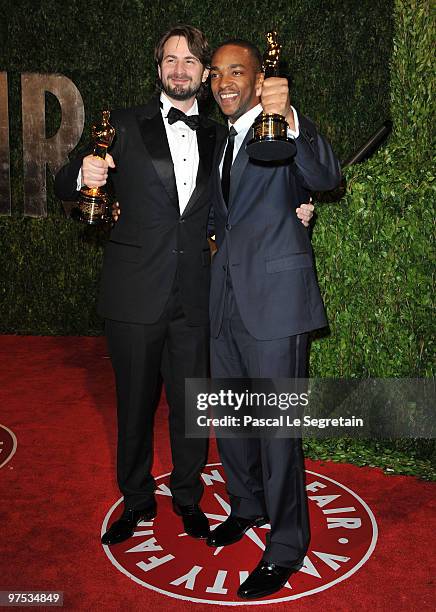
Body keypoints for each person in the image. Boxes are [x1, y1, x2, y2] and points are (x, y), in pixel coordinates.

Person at [54, 25, 315, 548]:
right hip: (134, 293)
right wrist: (84, 174)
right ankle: (135, 499)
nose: (179, 69)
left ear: (203, 74)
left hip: (199, 295)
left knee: (194, 405)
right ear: (158, 70)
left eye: (190, 62)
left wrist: (294, 207)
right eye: (170, 60)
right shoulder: (124, 126)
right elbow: (68, 181)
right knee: (133, 404)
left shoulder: (223, 134)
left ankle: (189, 497)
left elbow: (250, 193)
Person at [206, 40, 341, 600]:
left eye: (236, 71)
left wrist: (289, 117)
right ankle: (247, 504)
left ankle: (286, 544)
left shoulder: (279, 128)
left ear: (262, 78)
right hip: (225, 301)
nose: (223, 82)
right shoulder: (221, 140)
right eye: (217, 74)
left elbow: (325, 175)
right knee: (232, 421)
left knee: (279, 432)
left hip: (277, 303)